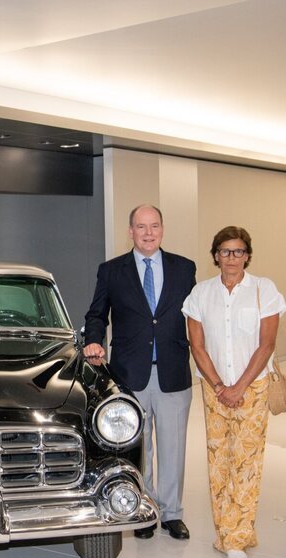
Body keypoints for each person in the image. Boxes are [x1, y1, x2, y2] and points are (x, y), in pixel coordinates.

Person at [84, 204, 196, 540]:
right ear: (130, 231)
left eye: (155, 226)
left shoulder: (184, 268)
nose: (148, 233)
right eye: (141, 227)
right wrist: (93, 341)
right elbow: (96, 314)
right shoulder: (112, 271)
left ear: (162, 229)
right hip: (130, 374)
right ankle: (143, 510)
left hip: (173, 373)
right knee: (137, 447)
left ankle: (172, 513)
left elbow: (199, 316)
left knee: (173, 447)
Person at [182, 226, 286, 558]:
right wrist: (218, 387)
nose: (232, 258)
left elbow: (266, 344)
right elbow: (196, 345)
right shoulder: (200, 294)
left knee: (246, 463)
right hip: (214, 389)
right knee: (219, 461)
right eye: (225, 251)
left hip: (252, 389)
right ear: (215, 255)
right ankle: (230, 529)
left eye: (239, 251)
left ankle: (236, 536)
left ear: (247, 255)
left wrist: (239, 386)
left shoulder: (264, 289)